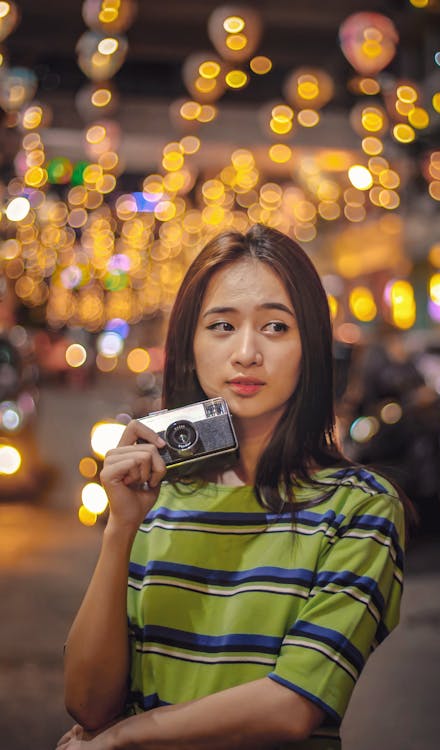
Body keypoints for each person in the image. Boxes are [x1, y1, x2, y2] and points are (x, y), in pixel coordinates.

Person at [57, 224, 407, 750]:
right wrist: (121, 527)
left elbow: (292, 704)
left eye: (275, 327)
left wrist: (124, 738)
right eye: (222, 326)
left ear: (310, 346)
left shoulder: (359, 506)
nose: (246, 353)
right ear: (189, 345)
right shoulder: (155, 497)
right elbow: (87, 703)